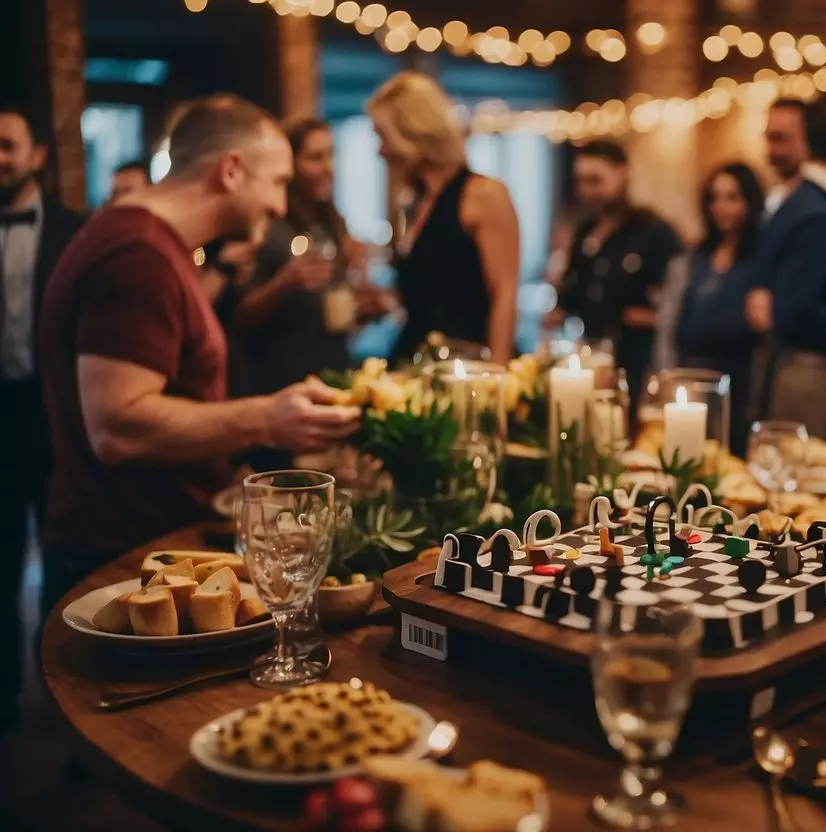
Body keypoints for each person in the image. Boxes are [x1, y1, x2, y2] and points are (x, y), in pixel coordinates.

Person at [38, 95, 362, 616]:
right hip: (128, 564)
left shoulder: (147, 242)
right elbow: (117, 427)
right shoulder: (136, 254)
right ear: (231, 170)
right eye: (277, 181)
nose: (281, 206)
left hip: (146, 549)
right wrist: (267, 419)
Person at [0, 104, 84, 721]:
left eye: (7, 145)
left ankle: (70, 703)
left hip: (54, 416)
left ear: (36, 156)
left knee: (63, 560)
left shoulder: (75, 232)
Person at [744, 93, 826, 441]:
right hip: (808, 378)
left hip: (810, 372)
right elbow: (794, 313)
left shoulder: (811, 203)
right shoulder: (816, 213)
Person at [232, 117, 392, 402]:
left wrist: (364, 304)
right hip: (280, 383)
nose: (328, 167)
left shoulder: (331, 221)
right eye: (315, 158)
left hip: (333, 374)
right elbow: (236, 318)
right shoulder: (266, 225)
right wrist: (284, 283)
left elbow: (331, 313)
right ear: (290, 165)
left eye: (331, 155)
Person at [367, 72, 519, 365]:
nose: (380, 150)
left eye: (383, 136)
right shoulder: (414, 200)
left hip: (466, 364)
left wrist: (497, 380)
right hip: (411, 358)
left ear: (415, 132)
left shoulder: (484, 194)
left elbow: (505, 296)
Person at [546, 141, 683, 414]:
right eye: (581, 181)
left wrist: (654, 318)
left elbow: (679, 300)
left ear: (623, 174)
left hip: (640, 366)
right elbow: (574, 290)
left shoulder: (653, 233)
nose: (587, 191)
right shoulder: (586, 231)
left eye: (596, 180)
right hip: (594, 360)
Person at [674, 163, 765, 455]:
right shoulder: (701, 255)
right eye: (715, 198)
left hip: (739, 384)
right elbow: (681, 324)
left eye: (732, 197)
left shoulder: (759, 257)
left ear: (749, 202)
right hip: (694, 378)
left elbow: (751, 327)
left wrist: (703, 330)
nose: (722, 207)